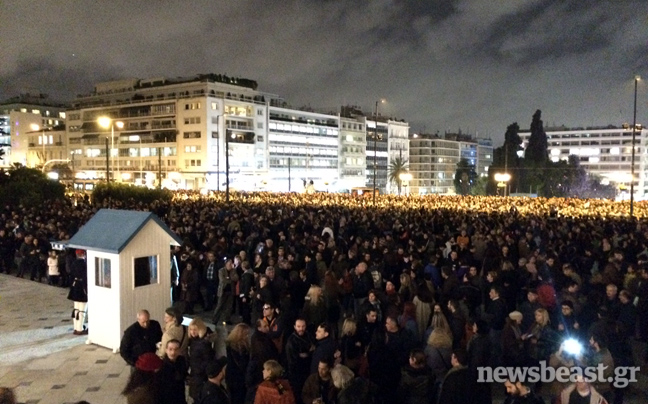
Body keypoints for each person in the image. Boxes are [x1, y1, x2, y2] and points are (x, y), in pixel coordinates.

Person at [285, 318, 315, 403]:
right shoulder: (291, 341)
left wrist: (307, 354)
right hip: (297, 375)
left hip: (307, 371)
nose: (301, 329)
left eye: (303, 326)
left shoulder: (308, 335)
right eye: (298, 326)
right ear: (294, 327)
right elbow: (292, 361)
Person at [187, 317, 216, 401]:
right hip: (196, 374)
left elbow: (207, 360)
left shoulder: (203, 343)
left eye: (195, 329)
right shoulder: (195, 340)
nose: (192, 332)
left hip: (199, 375)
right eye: (191, 329)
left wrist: (198, 369)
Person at [226, 323, 251, 404]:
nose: (247, 336)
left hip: (231, 376)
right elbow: (243, 364)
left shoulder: (230, 345)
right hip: (238, 378)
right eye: (246, 334)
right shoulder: (240, 349)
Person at [159, 339, 189, 404]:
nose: (173, 352)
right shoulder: (162, 365)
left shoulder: (181, 360)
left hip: (180, 396)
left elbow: (183, 374)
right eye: (170, 349)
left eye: (176, 349)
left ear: (179, 350)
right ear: (166, 350)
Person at [67, 249, 88, 335]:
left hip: (75, 287)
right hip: (82, 287)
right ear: (83, 254)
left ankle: (76, 327)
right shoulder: (84, 264)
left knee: (76, 309)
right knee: (82, 309)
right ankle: (80, 329)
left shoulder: (74, 263)